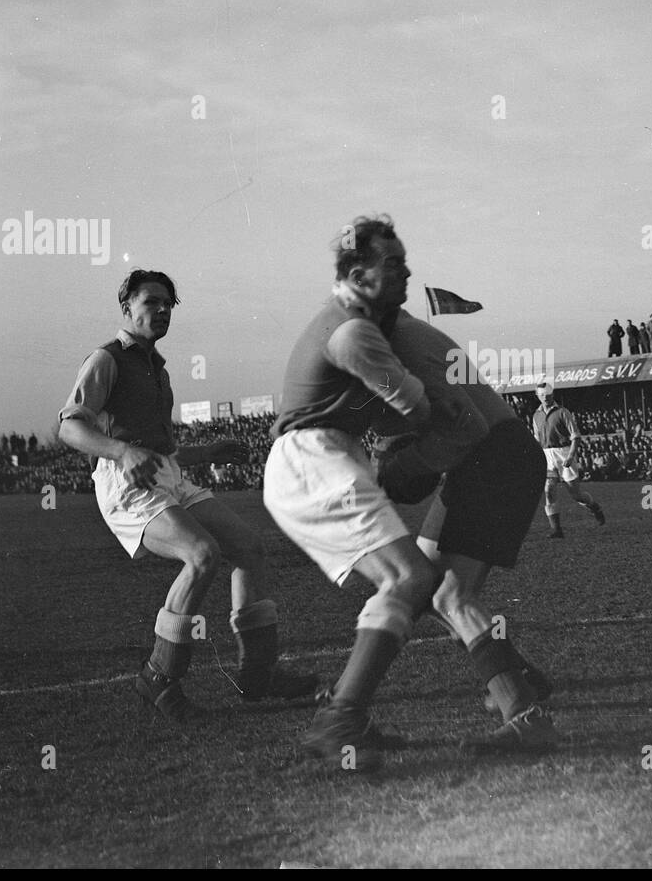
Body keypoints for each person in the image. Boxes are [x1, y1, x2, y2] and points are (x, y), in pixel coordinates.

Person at [58, 269, 317, 724]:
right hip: (127, 485)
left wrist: (206, 452)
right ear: (126, 307)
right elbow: (69, 425)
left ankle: (258, 673)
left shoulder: (157, 369)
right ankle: (159, 676)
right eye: (150, 302)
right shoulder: (106, 359)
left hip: (166, 474)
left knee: (248, 547)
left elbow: (160, 449)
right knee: (201, 555)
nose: (160, 311)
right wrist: (120, 450)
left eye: (167, 305)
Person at [262, 215, 459, 771]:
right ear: (358, 274)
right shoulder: (354, 332)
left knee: (408, 581)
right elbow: (418, 412)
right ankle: (339, 718)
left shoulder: (356, 320)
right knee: (411, 577)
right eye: (393, 264)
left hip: (323, 456)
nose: (407, 271)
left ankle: (348, 714)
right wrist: (438, 408)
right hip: (315, 458)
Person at [371, 306, 557, 751]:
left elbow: (461, 425)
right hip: (491, 456)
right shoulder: (410, 333)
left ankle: (524, 712)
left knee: (448, 595)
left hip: (492, 458)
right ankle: (518, 676)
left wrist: (397, 463)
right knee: (425, 581)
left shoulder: (397, 342)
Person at [532, 383, 606, 538]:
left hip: (564, 453)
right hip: (547, 455)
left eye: (548, 394)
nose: (545, 397)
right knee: (549, 491)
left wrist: (570, 456)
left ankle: (594, 507)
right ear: (538, 396)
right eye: (542, 395)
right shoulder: (536, 415)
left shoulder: (563, 412)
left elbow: (576, 437)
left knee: (576, 494)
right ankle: (556, 530)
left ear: (553, 395)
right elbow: (537, 440)